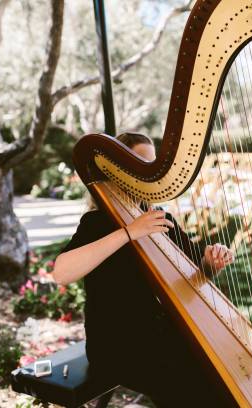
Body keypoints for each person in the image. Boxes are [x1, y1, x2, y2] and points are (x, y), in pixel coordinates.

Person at [52, 133, 235, 407]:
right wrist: (129, 232)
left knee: (222, 369)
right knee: (193, 385)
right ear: (117, 171)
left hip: (162, 334)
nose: (149, 177)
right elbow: (61, 273)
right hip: (117, 344)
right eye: (141, 166)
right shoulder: (98, 222)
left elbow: (197, 272)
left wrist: (211, 263)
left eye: (152, 168)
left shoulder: (162, 218)